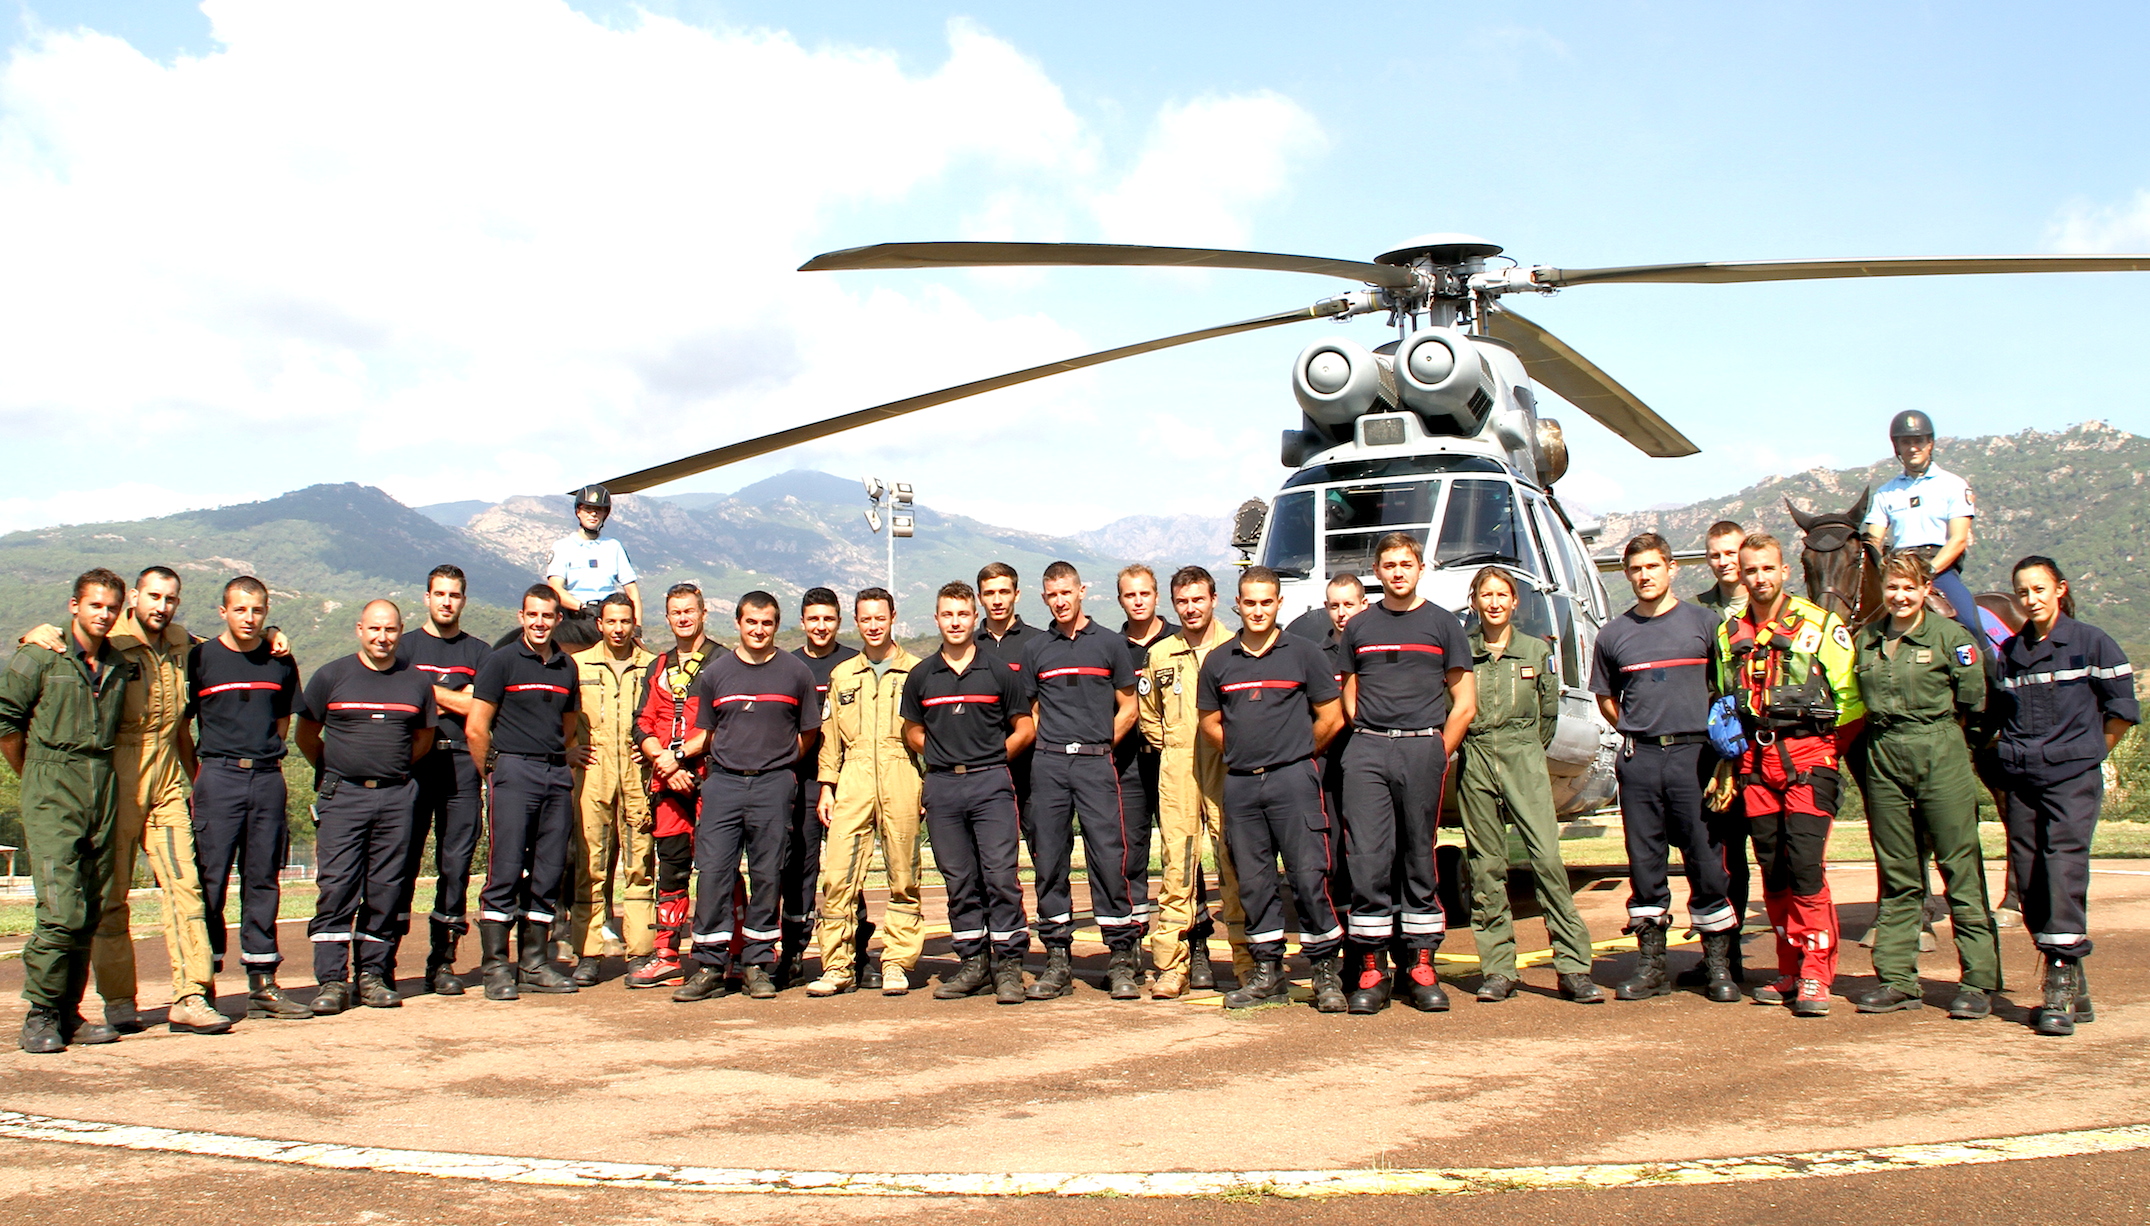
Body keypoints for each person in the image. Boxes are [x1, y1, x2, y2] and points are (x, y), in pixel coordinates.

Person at [18, 567, 230, 1035]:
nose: (161, 606)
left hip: (167, 773)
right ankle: (118, 1000)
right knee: (111, 897)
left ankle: (191, 994)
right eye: (153, 596)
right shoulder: (109, 635)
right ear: (135, 596)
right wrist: (28, 634)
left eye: (170, 598)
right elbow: (60, 646)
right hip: (116, 776)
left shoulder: (182, 642)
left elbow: (233, 640)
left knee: (185, 887)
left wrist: (274, 635)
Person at [1712, 532, 1865, 1018]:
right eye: (1750, 569)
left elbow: (1852, 703)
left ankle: (1817, 973)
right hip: (1754, 766)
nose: (1759, 578)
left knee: (1804, 868)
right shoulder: (1728, 634)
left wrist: (1821, 753)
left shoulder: (1821, 627)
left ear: (1784, 572)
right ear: (1741, 573)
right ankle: (1788, 967)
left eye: (1767, 569)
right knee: (1773, 870)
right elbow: (1725, 700)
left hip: (1809, 760)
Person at [1846, 552, 2000, 1018]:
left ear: (1926, 588)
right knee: (1898, 870)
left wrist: (1951, 742)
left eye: (1909, 587)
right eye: (1892, 587)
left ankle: (1977, 980)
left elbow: (1974, 699)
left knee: (1960, 865)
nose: (1899, 596)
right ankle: (1897, 979)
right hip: (1884, 751)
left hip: (1939, 746)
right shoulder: (1866, 639)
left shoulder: (1951, 637)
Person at [1989, 555, 2138, 1037]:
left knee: (2063, 868)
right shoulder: (2009, 652)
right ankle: (2075, 977)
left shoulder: (2093, 642)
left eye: (2038, 589)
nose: (2030, 599)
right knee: (2029, 881)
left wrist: (2087, 754)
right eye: (2023, 592)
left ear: (2059, 590)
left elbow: (2120, 712)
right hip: (2023, 780)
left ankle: (2057, 986)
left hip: (2072, 778)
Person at [1589, 534, 1742, 1004]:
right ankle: (1652, 965)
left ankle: (1718, 966)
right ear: (1627, 574)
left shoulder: (1706, 623)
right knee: (1645, 864)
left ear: (1672, 569)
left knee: (1706, 861)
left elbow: (1726, 691)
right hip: (1641, 759)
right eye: (1635, 569)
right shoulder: (1613, 635)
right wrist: (1641, 731)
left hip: (1696, 758)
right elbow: (1606, 700)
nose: (1644, 576)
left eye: (1653, 566)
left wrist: (1721, 758)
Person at [1337, 533, 1476, 1014]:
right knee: (1368, 858)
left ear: (1420, 569)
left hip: (1422, 750)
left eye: (1406, 563)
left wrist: (1438, 750)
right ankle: (1373, 970)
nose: (1398, 572)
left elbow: (1465, 701)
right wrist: (1369, 735)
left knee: (1420, 857)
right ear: (1378, 572)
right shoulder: (1358, 627)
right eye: (1389, 564)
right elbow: (1350, 692)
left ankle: (1420, 966)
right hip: (1369, 751)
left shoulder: (1443, 624)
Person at [1198, 567, 1346, 1010]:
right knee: (1255, 883)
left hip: (1294, 781)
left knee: (1308, 877)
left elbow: (1332, 716)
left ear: (1278, 603)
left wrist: (1298, 753)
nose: (1258, 610)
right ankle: (1267, 975)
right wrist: (1243, 749)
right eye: (1250, 602)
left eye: (1266, 602)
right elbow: (1209, 722)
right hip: (1241, 784)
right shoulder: (1220, 661)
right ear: (1237, 605)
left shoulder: (1304, 654)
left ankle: (1324, 975)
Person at [0, 570, 131, 1053]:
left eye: (111, 607)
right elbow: (5, 717)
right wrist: (33, 774)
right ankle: (39, 1013)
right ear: (74, 605)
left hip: (101, 783)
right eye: (95, 605)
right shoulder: (39, 656)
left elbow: (188, 641)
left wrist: (268, 634)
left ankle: (69, 1013)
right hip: (51, 782)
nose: (103, 614)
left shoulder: (119, 662)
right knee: (60, 909)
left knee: (91, 908)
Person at [1457, 567, 1601, 1005]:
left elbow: (1547, 717)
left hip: (1524, 754)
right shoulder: (1463, 654)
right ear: (1475, 601)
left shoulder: (1535, 652)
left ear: (1515, 601)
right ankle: (1498, 969)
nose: (1495, 602)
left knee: (1546, 859)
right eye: (1487, 595)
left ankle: (1573, 968)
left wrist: (1524, 752)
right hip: (1476, 755)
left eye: (1503, 594)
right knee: (1486, 867)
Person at [673, 591, 820, 1002]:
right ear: (738, 623)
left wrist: (780, 764)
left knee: (768, 874)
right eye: (751, 622)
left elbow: (808, 734)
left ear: (776, 625)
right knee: (715, 873)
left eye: (767, 623)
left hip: (774, 785)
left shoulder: (796, 673)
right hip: (723, 784)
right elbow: (708, 732)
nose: (759, 630)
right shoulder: (716, 674)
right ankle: (709, 964)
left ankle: (757, 963)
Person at [294, 599, 436, 1013]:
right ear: (359, 629)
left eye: (390, 630)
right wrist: (337, 769)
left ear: (400, 631)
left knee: (386, 888)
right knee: (336, 887)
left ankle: (372, 974)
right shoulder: (331, 676)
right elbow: (307, 735)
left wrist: (388, 771)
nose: (382, 637)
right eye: (374, 629)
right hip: (344, 797)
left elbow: (423, 741)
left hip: (396, 796)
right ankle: (332, 981)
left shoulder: (416, 682)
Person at [903, 581, 1037, 1005]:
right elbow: (911, 730)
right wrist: (943, 753)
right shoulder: (922, 675)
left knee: (1000, 875)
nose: (956, 622)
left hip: (991, 783)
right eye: (948, 614)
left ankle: (1010, 966)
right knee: (959, 879)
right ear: (937, 619)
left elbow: (1025, 727)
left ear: (974, 617)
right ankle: (973, 964)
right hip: (942, 786)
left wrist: (995, 757)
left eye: (963, 614)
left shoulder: (997, 670)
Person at [188, 575, 310, 1019]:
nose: (249, 617)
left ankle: (263, 982)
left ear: (267, 611)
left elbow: (282, 725)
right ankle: (199, 983)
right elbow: (184, 726)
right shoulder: (199, 659)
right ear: (223, 611)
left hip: (265, 778)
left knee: (262, 880)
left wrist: (261, 761)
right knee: (209, 881)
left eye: (257, 610)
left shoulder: (280, 661)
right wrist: (201, 774)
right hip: (216, 776)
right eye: (240, 609)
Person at [1021, 561, 1141, 1000]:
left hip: (1096, 763)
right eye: (1052, 595)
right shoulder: (1037, 649)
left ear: (1081, 591)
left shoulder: (1111, 644)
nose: (1061, 600)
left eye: (1066, 592)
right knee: (1049, 860)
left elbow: (1128, 707)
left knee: (1109, 859)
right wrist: (1053, 744)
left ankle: (1122, 960)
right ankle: (1056, 960)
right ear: (1045, 598)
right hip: (1049, 765)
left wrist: (1099, 744)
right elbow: (1030, 711)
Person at [466, 584, 583, 1001]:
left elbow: (568, 726)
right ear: (521, 617)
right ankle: (497, 967)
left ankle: (534, 962)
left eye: (547, 616)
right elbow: (477, 727)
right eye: (532, 615)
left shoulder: (566, 668)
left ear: (557, 620)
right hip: (513, 772)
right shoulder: (500, 663)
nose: (539, 623)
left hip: (555, 773)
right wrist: (494, 773)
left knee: (549, 869)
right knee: (505, 867)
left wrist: (556, 757)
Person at [807, 587, 924, 996]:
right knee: (837, 875)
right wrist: (827, 787)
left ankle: (896, 962)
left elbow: (928, 735)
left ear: (893, 617)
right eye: (866, 619)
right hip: (853, 775)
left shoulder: (917, 671)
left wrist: (924, 785)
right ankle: (837, 965)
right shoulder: (842, 675)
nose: (873, 626)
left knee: (904, 874)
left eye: (880, 617)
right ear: (856, 622)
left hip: (901, 771)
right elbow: (830, 740)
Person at [1139, 566, 1247, 997]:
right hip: (1178, 760)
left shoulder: (1235, 648)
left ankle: (1246, 961)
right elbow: (1149, 714)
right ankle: (1172, 966)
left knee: (1234, 859)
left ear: (1214, 599)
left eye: (1198, 599)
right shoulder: (1162, 653)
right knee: (1177, 863)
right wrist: (1171, 746)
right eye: (1182, 601)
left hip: (1226, 758)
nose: (1190, 608)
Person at [393, 564, 493, 996]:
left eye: (454, 595)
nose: (447, 602)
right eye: (440, 594)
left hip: (461, 767)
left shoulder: (479, 653)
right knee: (398, 865)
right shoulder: (403, 647)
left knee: (455, 868)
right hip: (410, 768)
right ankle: (380, 964)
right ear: (427, 597)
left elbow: (480, 712)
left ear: (464, 600)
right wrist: (459, 698)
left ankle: (443, 962)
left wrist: (425, 691)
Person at [566, 593, 657, 987]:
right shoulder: (578, 664)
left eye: (625, 622)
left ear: (633, 623)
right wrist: (568, 749)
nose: (619, 629)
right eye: (611, 622)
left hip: (637, 774)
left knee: (640, 863)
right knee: (591, 862)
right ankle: (588, 952)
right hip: (593, 772)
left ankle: (640, 951)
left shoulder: (653, 664)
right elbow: (559, 714)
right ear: (599, 624)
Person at [628, 583, 715, 989]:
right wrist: (661, 761)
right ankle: (666, 953)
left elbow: (722, 724)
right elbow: (641, 723)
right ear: (667, 617)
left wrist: (679, 760)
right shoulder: (658, 665)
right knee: (672, 867)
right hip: (666, 785)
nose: (683, 618)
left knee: (719, 868)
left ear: (703, 613)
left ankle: (726, 952)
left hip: (710, 781)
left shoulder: (722, 662)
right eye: (675, 612)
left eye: (689, 611)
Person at [1680, 520, 1754, 988]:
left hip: (1764, 749)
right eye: (1716, 555)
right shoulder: (1697, 612)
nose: (1725, 562)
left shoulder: (1772, 606)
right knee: (1720, 853)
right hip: (1713, 750)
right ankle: (1723, 954)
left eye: (1732, 553)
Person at [785, 587, 859, 987]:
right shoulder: (788, 665)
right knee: (798, 868)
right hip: (801, 781)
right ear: (802, 622)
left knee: (850, 869)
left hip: (849, 782)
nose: (820, 626)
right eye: (813, 618)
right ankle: (794, 953)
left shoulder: (853, 664)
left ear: (838, 622)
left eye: (828, 619)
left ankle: (856, 950)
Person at [1863, 411, 1984, 644]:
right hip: (1898, 569)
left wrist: (1925, 572)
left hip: (1938, 569)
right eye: (1905, 442)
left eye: (1918, 441)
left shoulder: (1953, 485)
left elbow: (1958, 539)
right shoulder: (1886, 492)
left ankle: (1994, 675)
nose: (1912, 448)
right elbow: (1873, 540)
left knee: (1971, 625)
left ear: (1930, 444)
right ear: (1896, 447)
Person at [1115, 565, 1175, 954]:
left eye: (1144, 594)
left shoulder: (1178, 641)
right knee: (1129, 854)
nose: (1138, 601)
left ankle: (1192, 942)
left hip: (1171, 762)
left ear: (1157, 596)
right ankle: (1132, 943)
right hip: (1126, 764)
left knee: (1179, 852)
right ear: (1120, 599)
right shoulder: (1109, 646)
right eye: (1129, 595)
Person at [544, 484, 642, 645]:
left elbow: (632, 591)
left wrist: (637, 627)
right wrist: (582, 607)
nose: (593, 514)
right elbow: (555, 588)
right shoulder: (562, 547)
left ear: (605, 514)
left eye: (599, 510)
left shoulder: (613, 546)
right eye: (587, 509)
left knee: (645, 660)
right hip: (576, 618)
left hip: (609, 617)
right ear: (578, 512)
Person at [1695, 520, 1750, 617]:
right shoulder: (1693, 611)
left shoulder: (1779, 605)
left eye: (1730, 553)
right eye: (1715, 556)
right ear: (1707, 559)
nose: (1723, 562)